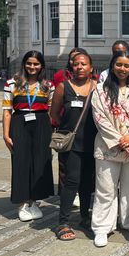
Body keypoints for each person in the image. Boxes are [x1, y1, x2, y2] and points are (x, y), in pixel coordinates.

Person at [90, 51, 129, 247]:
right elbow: (99, 117)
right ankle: (102, 227)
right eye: (119, 65)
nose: (122, 69)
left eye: (126, 65)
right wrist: (119, 139)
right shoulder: (100, 90)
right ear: (112, 65)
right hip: (108, 147)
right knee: (105, 189)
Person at [50, 50, 98, 241]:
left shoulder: (98, 87)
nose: (80, 67)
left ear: (91, 68)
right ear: (72, 67)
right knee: (71, 181)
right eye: (76, 64)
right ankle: (63, 222)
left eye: (84, 64)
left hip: (92, 143)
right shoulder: (63, 87)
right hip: (71, 144)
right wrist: (68, 129)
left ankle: (85, 216)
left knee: (87, 182)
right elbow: (54, 114)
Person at [2, 51, 54, 221]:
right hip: (19, 123)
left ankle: (34, 200)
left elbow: (52, 112)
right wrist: (5, 134)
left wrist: (53, 132)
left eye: (36, 64)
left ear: (41, 66)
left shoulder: (48, 85)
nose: (32, 67)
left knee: (40, 162)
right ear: (24, 64)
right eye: (29, 63)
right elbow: (7, 112)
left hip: (42, 124)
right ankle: (23, 203)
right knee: (21, 162)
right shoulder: (12, 83)